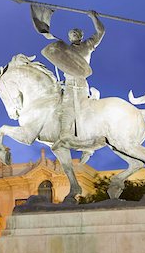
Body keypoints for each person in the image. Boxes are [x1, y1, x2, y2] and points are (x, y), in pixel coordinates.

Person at [44, 11, 106, 163]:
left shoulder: (88, 45)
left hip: (80, 83)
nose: (73, 35)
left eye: (75, 33)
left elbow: (101, 31)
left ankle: (85, 145)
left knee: (74, 109)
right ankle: (63, 134)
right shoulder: (65, 50)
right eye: (71, 34)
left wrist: (93, 17)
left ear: (80, 36)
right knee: (60, 107)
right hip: (68, 83)